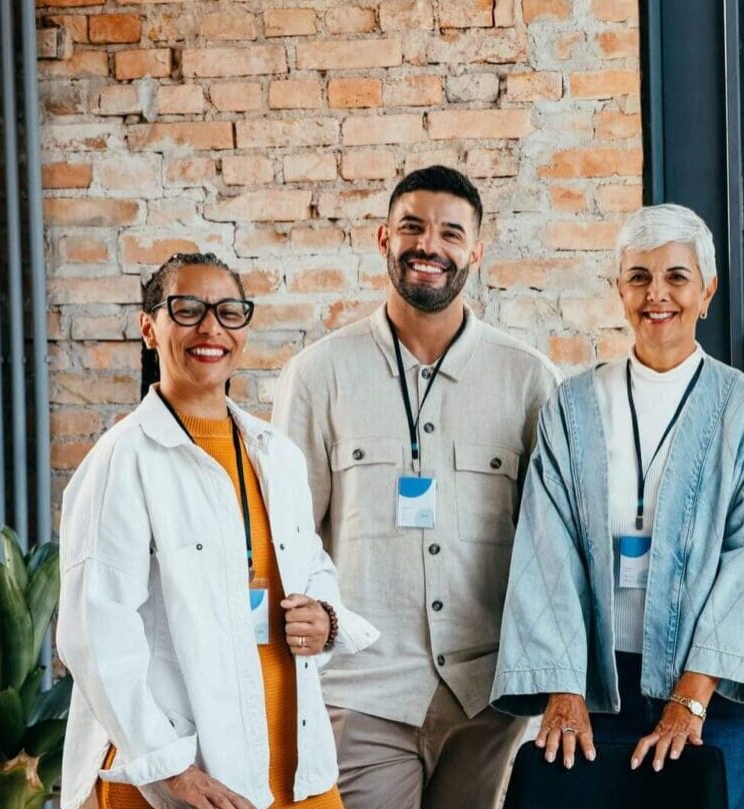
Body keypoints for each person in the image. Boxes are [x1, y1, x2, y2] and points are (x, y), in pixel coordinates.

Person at [273, 166, 560, 809]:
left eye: (450, 233)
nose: (428, 245)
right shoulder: (318, 375)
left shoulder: (529, 381)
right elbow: (285, 541)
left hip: (490, 699)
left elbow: (554, 550)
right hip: (362, 691)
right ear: (383, 238)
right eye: (412, 227)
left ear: (476, 253)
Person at [491, 203, 744, 809]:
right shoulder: (571, 408)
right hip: (598, 685)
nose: (658, 294)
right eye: (639, 277)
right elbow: (544, 550)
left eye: (677, 277)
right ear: (619, 291)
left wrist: (691, 696)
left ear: (707, 292)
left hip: (716, 692)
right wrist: (561, 687)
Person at [57, 252, 378, 809]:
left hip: (294, 757)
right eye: (187, 309)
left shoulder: (275, 453)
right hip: (181, 771)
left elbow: (312, 566)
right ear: (149, 328)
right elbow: (95, 633)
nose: (211, 328)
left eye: (229, 312)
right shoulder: (123, 460)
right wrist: (173, 771)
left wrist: (324, 619)